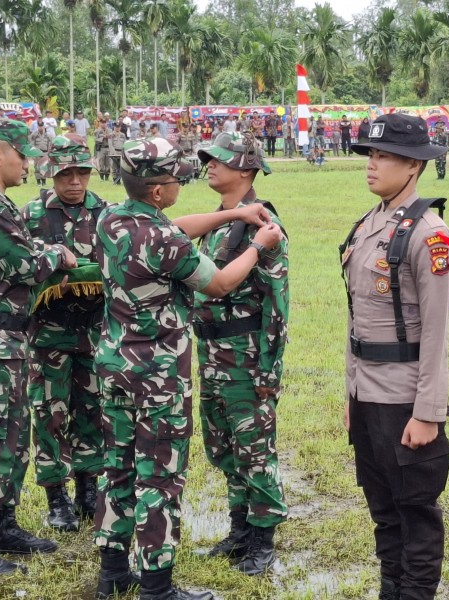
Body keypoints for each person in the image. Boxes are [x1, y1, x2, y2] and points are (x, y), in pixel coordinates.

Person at [93, 138, 283, 600]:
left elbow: (175, 226)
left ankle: (113, 574)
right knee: (159, 477)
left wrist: (236, 215)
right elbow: (219, 283)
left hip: (114, 368)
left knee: (117, 469)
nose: (183, 184)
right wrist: (258, 245)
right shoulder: (163, 240)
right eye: (176, 180)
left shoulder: (111, 219)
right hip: (156, 377)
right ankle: (157, 587)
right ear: (158, 191)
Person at [0, 118, 79, 577]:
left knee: (11, 436)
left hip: (8, 338)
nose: (28, 165)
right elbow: (26, 265)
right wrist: (58, 254)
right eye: (23, 156)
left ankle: (0, 525)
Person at [341, 114, 449, 600]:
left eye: (384, 156)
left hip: (404, 398)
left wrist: (428, 412)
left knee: (415, 513)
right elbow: (357, 320)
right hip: (367, 393)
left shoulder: (431, 234)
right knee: (384, 512)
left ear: (413, 165)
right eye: (370, 154)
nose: (372, 165)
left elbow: (437, 331)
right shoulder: (369, 223)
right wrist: (350, 395)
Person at [193, 133, 289, 576]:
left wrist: (270, 368)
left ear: (247, 169)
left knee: (254, 449)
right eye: (208, 159)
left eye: (220, 160)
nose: (210, 165)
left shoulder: (263, 227)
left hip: (246, 358)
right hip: (212, 354)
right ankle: (240, 530)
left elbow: (276, 303)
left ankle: (263, 538)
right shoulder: (220, 221)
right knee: (223, 447)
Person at [21, 134, 109, 541]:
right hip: (48, 335)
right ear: (51, 173)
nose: (75, 181)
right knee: (49, 413)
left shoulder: (106, 213)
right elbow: (22, 268)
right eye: (66, 174)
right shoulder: (32, 215)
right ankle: (56, 497)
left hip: (94, 333)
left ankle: (88, 489)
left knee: (92, 411)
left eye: (82, 173)